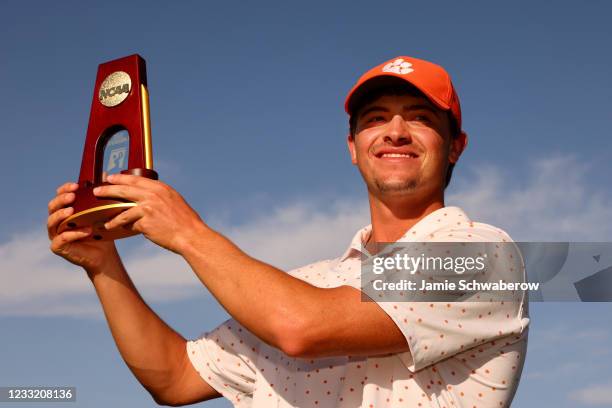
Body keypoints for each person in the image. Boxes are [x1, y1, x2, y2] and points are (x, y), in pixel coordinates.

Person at [47, 55, 529, 407]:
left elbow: (300, 328)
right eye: (375, 119)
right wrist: (103, 265)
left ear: (456, 147)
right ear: (353, 148)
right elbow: (172, 377)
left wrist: (187, 232)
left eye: (421, 118)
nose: (395, 131)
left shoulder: (487, 255)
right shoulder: (307, 284)